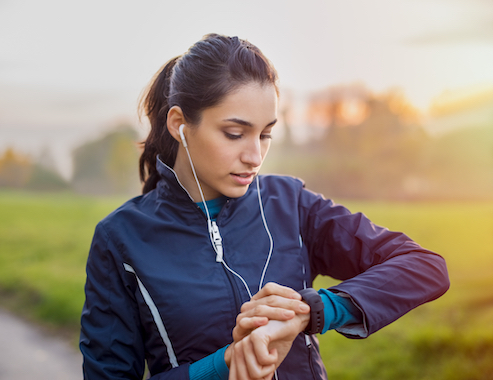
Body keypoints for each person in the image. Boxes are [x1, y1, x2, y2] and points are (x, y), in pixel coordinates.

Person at [79, 33, 449, 380]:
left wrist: (311, 310)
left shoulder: (292, 204)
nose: (255, 155)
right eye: (235, 134)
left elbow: (424, 267)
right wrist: (223, 365)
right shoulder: (120, 240)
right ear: (179, 125)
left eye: (266, 133)